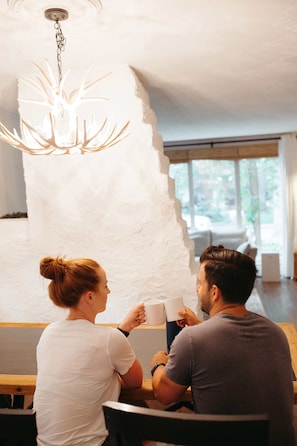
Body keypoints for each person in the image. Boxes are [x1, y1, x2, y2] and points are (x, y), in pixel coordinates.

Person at [151, 245, 296, 446]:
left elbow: (165, 395)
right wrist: (203, 327)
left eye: (200, 284)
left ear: (215, 292)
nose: (196, 288)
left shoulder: (192, 339)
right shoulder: (275, 332)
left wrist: (158, 364)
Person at [33, 256, 145, 446]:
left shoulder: (49, 333)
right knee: (139, 419)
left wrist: (123, 330)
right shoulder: (110, 339)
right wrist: (106, 378)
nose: (108, 291)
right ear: (90, 296)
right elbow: (135, 382)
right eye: (105, 286)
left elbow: (83, 365)